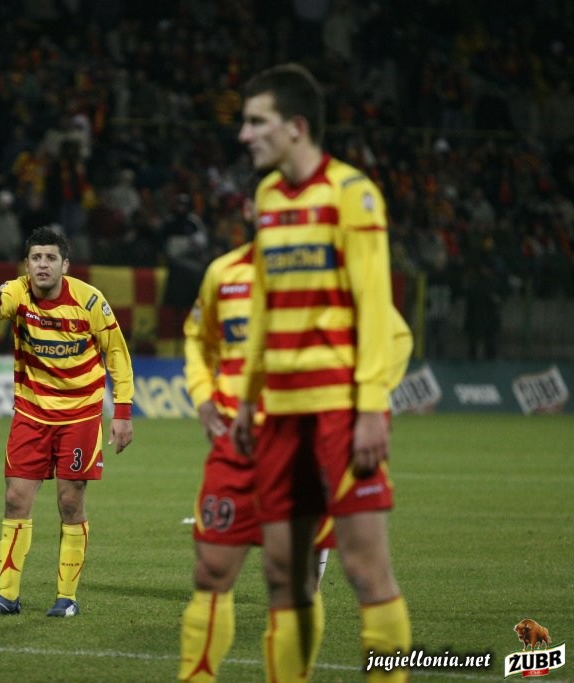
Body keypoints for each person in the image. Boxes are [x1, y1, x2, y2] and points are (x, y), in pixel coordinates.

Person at [231, 63, 412, 682]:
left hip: (339, 407)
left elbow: (374, 304)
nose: (244, 135)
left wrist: (371, 404)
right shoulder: (266, 199)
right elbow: (263, 304)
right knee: (284, 573)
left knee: (365, 570)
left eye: (257, 122)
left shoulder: (352, 194)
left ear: (296, 127)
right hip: (280, 411)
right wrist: (248, 397)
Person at [177, 195, 331, 683]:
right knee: (210, 572)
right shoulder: (223, 273)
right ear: (251, 212)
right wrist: (203, 396)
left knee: (293, 581)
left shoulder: (328, 275)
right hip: (234, 444)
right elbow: (198, 339)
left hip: (300, 445)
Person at [0, 226, 134, 618]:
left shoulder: (90, 301)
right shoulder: (16, 291)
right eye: (36, 258)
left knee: (70, 502)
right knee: (15, 498)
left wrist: (123, 413)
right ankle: (6, 596)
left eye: (50, 258)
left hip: (80, 415)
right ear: (27, 265)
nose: (43, 264)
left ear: (65, 265)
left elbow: (116, 354)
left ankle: (67, 597)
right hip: (31, 413)